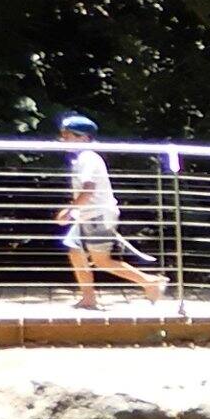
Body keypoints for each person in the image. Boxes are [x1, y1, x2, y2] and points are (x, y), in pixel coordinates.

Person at [52, 115, 166, 309]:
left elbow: (88, 190)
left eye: (68, 135)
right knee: (75, 251)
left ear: (84, 138)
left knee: (101, 260)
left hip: (98, 216)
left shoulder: (88, 158)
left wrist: (70, 211)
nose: (63, 139)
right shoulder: (83, 158)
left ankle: (150, 282)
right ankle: (88, 298)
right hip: (87, 215)